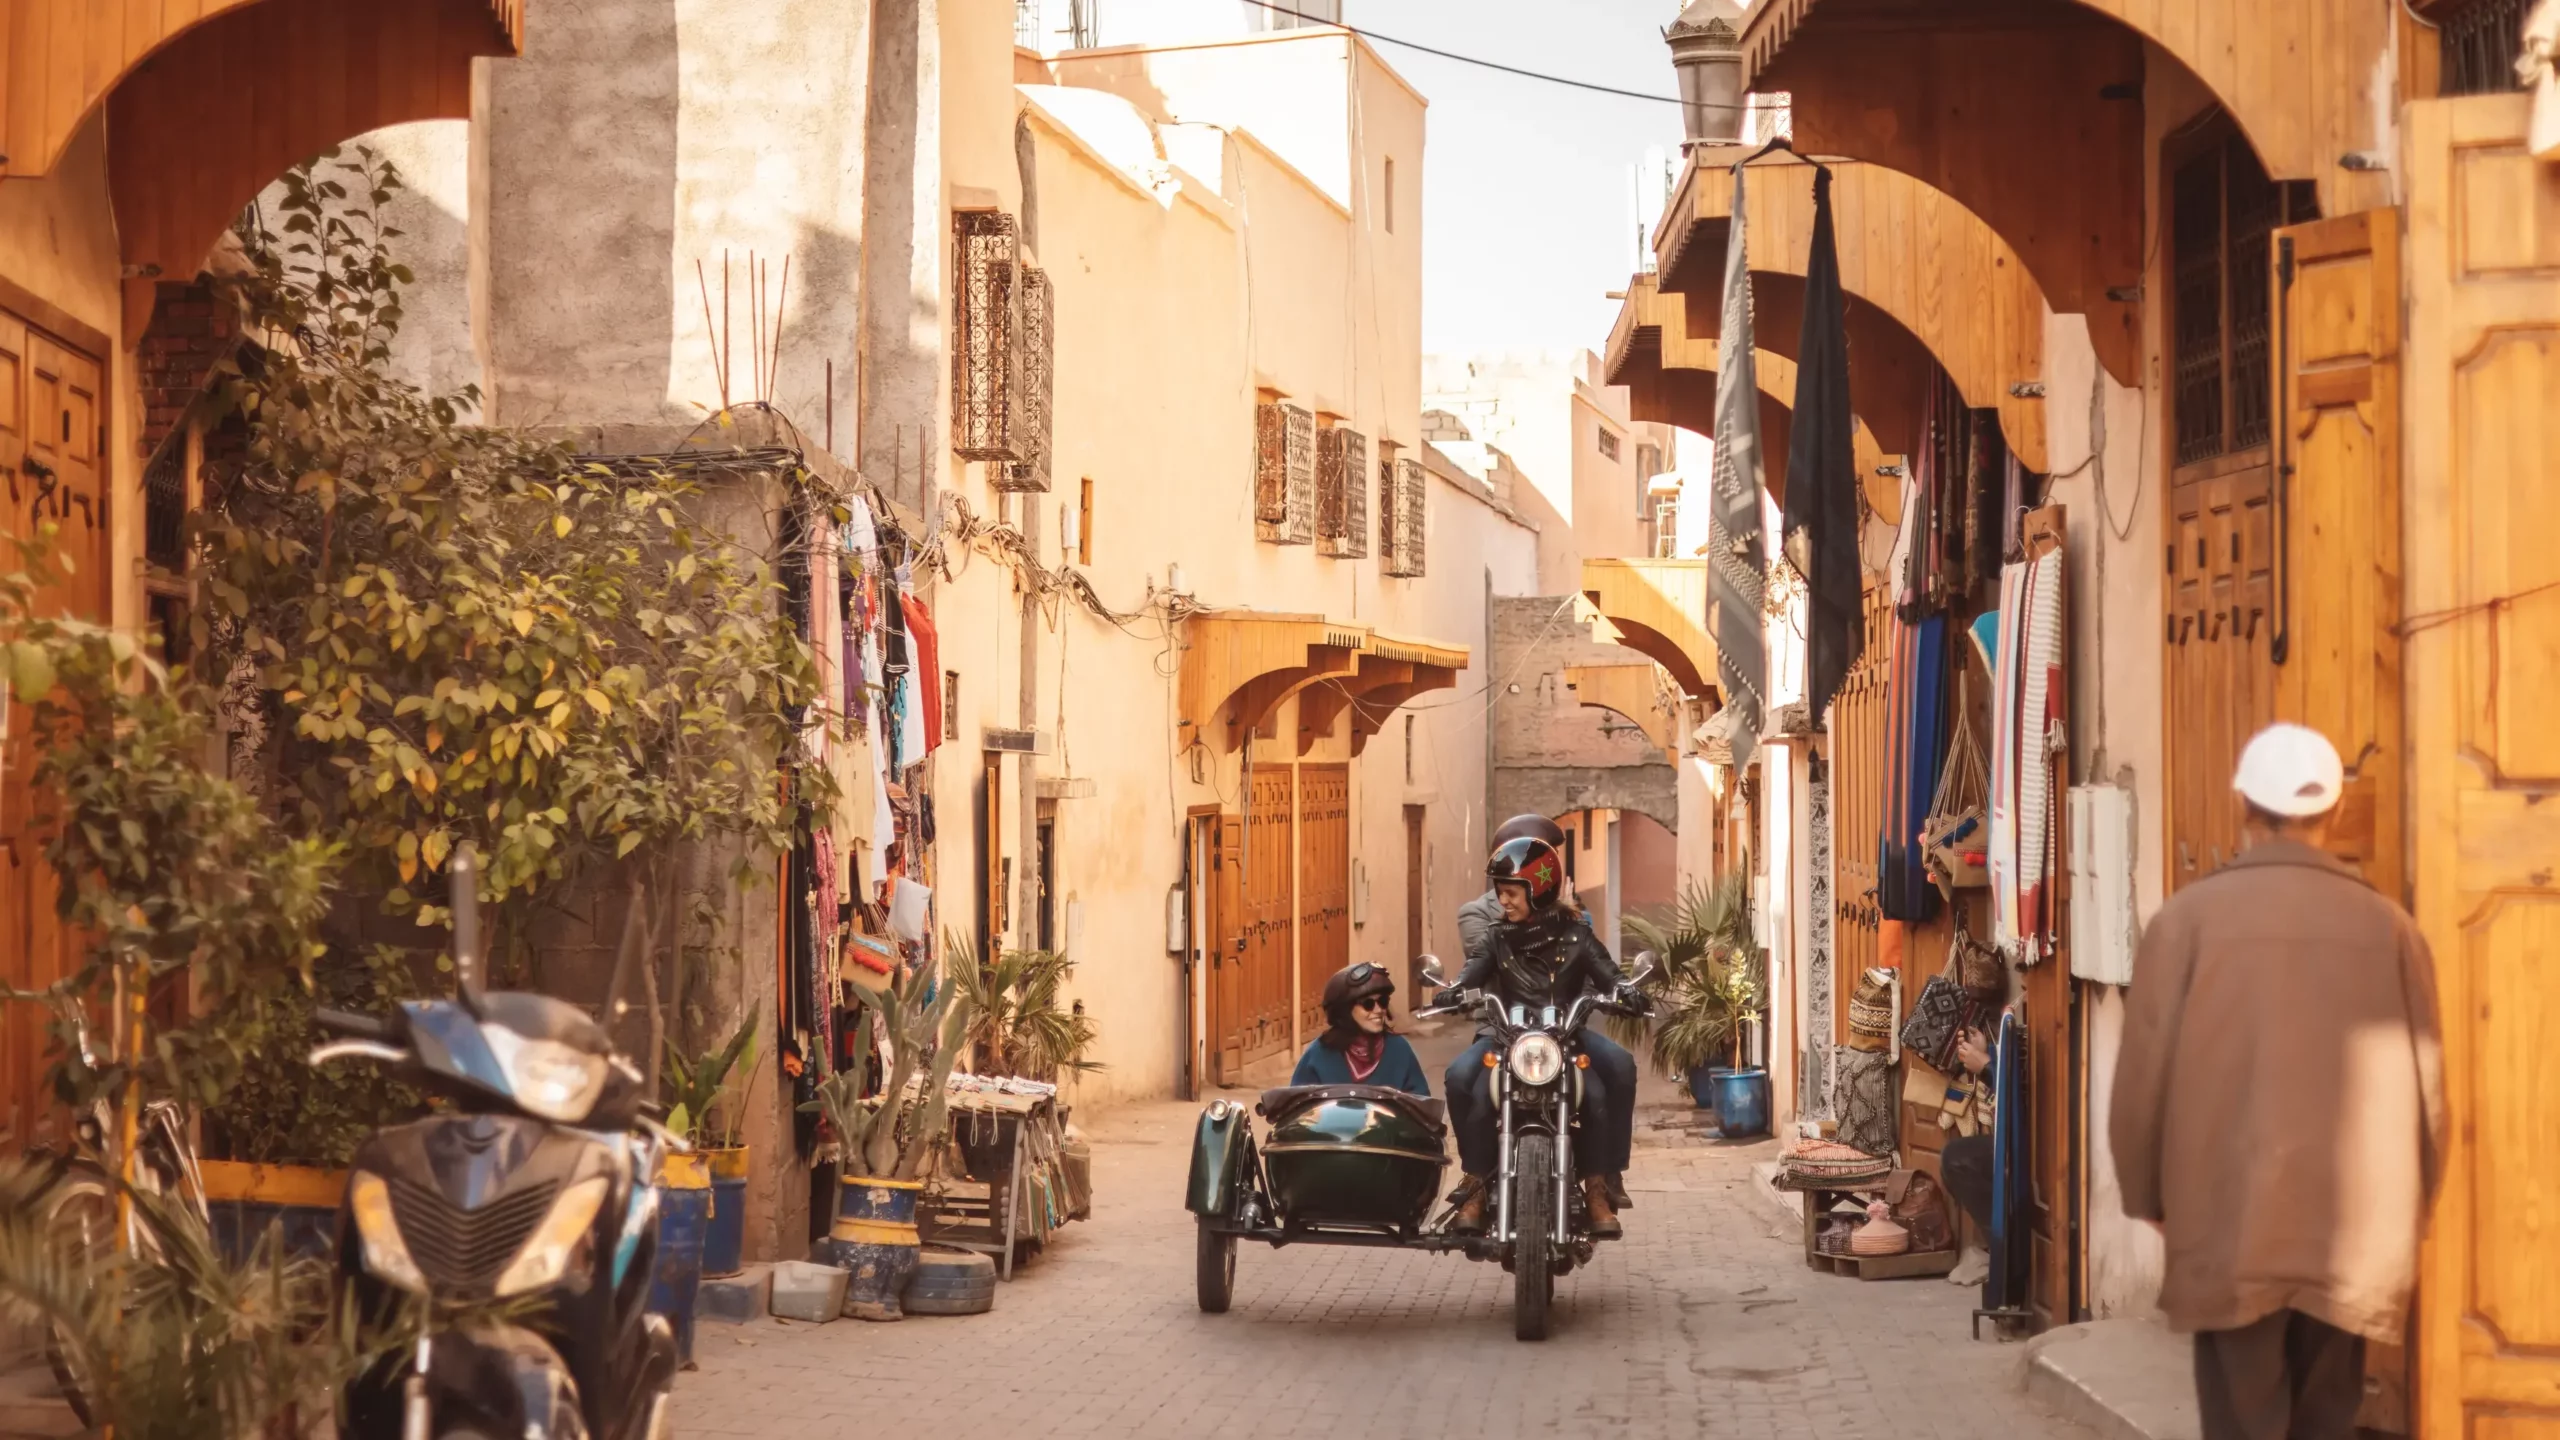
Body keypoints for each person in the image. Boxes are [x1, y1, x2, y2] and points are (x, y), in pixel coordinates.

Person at [2110, 723, 2445, 1440]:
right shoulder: (2392, 929)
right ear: (2333, 812)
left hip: (2230, 1227)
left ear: (2244, 807)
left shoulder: (2185, 924)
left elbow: (2141, 1086)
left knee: (2242, 1421)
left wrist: (2149, 1197)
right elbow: (2430, 1097)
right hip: (2352, 1230)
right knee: (2327, 1418)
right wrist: (2414, 1206)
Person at [1439, 835, 1642, 1237]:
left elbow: (1609, 973)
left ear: (1539, 890)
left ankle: (1601, 1184)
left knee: (1614, 1074)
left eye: (1511, 893)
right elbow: (1472, 971)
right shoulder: (1496, 937)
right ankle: (1475, 1180)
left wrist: (1627, 991)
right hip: (1507, 1038)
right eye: (1500, 893)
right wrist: (1454, 990)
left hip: (1565, 1038)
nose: (1503, 902)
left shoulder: (1577, 935)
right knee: (1461, 1080)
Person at [1289, 963, 1431, 1094]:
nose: (1378, 1010)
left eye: (1383, 1002)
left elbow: (1422, 1107)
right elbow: (1296, 1109)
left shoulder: (1399, 1049)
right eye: (1367, 1004)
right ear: (1345, 1009)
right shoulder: (1319, 1054)